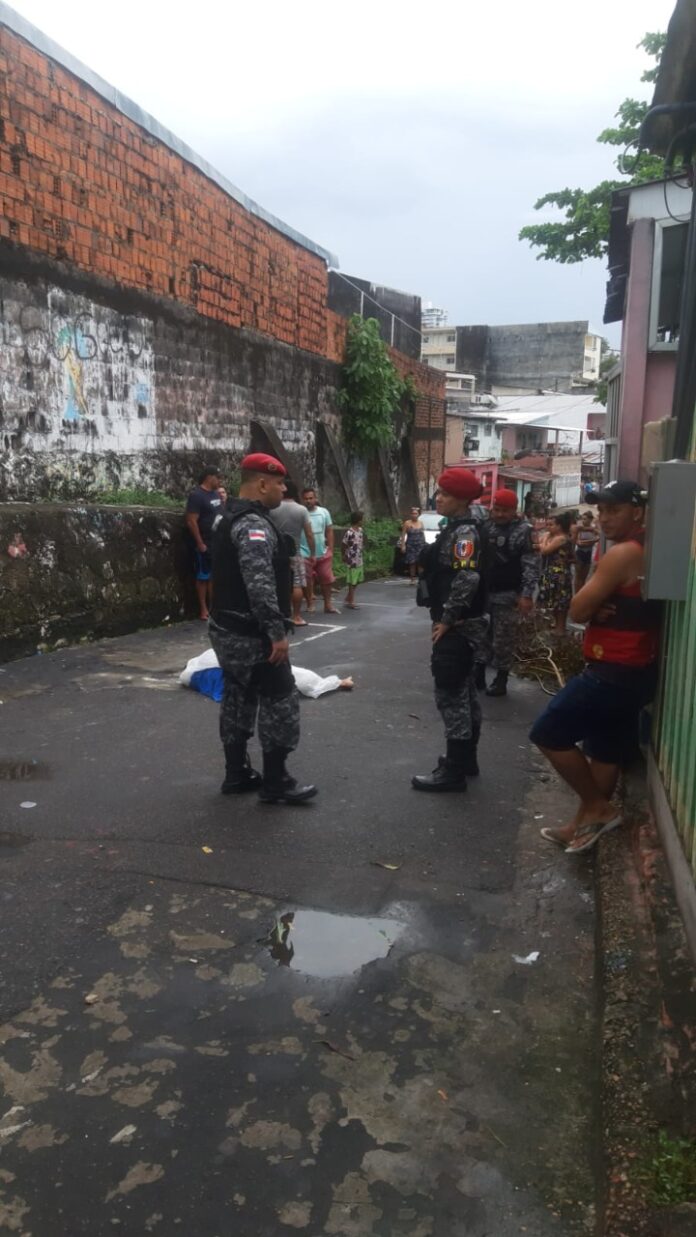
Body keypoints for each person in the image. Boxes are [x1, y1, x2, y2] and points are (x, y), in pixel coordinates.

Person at [530, 480, 660, 854]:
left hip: (614, 670)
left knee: (549, 731)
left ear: (637, 511)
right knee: (604, 749)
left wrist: (592, 603)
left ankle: (600, 809)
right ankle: (582, 823)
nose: (604, 518)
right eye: (601, 511)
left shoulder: (623, 554)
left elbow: (578, 610)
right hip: (637, 669)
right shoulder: (649, 548)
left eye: (614, 510)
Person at [208, 453, 317, 805]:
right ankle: (276, 781)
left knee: (238, 697)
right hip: (251, 634)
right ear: (262, 483)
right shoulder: (252, 525)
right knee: (280, 699)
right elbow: (259, 585)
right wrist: (276, 633)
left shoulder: (226, 517)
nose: (284, 490)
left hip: (226, 627)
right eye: (281, 484)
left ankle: (236, 774)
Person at [411, 467, 489, 792]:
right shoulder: (455, 528)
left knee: (451, 693)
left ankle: (454, 771)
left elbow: (467, 577)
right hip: (459, 623)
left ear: (459, 499)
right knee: (465, 692)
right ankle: (464, 760)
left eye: (443, 494)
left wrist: (447, 617)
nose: (437, 498)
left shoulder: (465, 534)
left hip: (458, 626)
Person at [480, 488, 539, 697]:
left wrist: (526, 595)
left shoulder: (524, 530)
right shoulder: (485, 526)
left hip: (508, 594)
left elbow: (531, 564)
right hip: (484, 592)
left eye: (505, 510)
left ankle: (501, 678)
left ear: (514, 510)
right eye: (496, 509)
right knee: (481, 635)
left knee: (503, 639)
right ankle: (478, 674)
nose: (500, 514)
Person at [269, 479, 316, 627]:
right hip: (294, 552)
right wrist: (313, 552)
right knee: (296, 585)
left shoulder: (272, 508)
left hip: (274, 552)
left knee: (274, 583)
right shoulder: (301, 510)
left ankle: (277, 615)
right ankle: (296, 616)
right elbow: (309, 534)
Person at [185, 466, 223, 621]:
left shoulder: (216, 494)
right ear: (210, 477)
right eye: (217, 478)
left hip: (217, 541)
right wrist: (200, 543)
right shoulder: (197, 496)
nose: (219, 481)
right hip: (205, 541)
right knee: (203, 576)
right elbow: (191, 521)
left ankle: (214, 607)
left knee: (215, 576)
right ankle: (203, 609)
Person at [300, 488, 338, 615]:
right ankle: (310, 603)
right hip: (305, 552)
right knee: (307, 580)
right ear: (302, 500)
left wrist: (331, 549)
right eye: (306, 499)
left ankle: (328, 605)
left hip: (322, 552)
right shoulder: (300, 513)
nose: (308, 501)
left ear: (315, 498)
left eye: (311, 498)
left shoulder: (324, 512)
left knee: (327, 579)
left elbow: (329, 530)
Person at [538, 511, 574, 636]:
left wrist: (545, 540)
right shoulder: (554, 537)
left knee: (560, 601)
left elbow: (544, 550)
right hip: (550, 571)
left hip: (559, 573)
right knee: (553, 599)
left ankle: (561, 627)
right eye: (547, 524)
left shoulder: (561, 538)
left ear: (559, 526)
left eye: (551, 525)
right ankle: (557, 625)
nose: (548, 527)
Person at [341, 511, 364, 608]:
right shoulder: (349, 533)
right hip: (351, 559)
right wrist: (343, 555)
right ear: (358, 520)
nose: (363, 521)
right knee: (352, 580)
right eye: (362, 519)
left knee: (358, 579)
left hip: (359, 558)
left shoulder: (360, 531)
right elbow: (343, 544)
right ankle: (351, 601)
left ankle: (348, 597)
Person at [574, 510, 599, 592]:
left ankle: (581, 594)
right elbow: (579, 543)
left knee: (584, 577)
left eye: (585, 519)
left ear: (590, 520)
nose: (583, 521)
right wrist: (592, 541)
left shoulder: (593, 528)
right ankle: (576, 594)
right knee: (578, 577)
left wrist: (590, 541)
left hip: (588, 554)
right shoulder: (579, 528)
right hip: (580, 553)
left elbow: (599, 536)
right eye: (582, 519)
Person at [400, 507, 426, 584]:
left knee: (420, 562)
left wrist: (424, 545)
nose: (414, 515)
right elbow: (403, 535)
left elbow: (422, 534)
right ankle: (412, 579)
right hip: (411, 545)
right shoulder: (407, 523)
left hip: (420, 545)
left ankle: (421, 578)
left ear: (418, 515)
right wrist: (403, 545)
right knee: (412, 562)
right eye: (413, 513)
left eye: (416, 513)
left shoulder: (421, 523)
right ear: (410, 514)